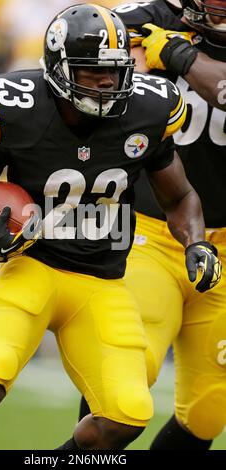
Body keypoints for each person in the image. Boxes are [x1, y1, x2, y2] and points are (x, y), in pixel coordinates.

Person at [0, 3, 220, 450]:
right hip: (31, 267)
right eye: (92, 71)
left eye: (115, 70)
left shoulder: (146, 110)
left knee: (128, 414)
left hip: (100, 282)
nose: (108, 82)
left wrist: (195, 243)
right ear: (59, 69)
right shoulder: (19, 108)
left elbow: (180, 196)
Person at [79, 0, 226, 450]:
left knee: (209, 408)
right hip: (148, 233)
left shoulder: (166, 36)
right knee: (122, 382)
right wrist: (142, 57)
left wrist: (179, 55)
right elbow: (85, 57)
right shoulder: (148, 16)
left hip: (224, 248)